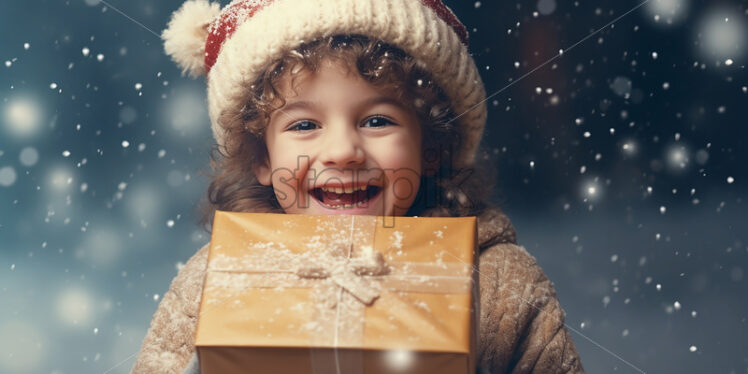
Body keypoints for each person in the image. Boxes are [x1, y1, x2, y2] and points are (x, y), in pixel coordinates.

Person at [131, 0, 585, 373]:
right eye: (305, 124)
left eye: (377, 121)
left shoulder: (500, 281)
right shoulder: (212, 280)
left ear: (430, 148)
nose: (343, 151)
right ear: (261, 159)